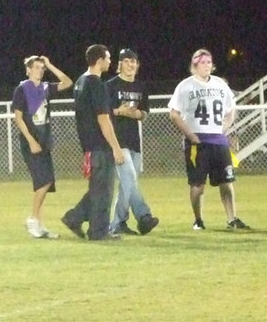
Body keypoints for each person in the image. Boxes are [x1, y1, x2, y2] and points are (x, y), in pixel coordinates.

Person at [167, 49, 249, 231]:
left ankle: (232, 218)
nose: (207, 65)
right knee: (198, 184)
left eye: (209, 62)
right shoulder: (185, 86)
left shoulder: (220, 84)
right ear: (194, 65)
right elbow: (174, 114)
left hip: (219, 141)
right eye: (202, 62)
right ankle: (198, 219)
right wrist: (190, 135)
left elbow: (231, 109)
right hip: (197, 142)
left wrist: (224, 128)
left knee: (227, 181)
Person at [60, 45, 125, 241]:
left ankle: (74, 218)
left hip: (89, 145)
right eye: (108, 57)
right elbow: (103, 119)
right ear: (99, 61)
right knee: (103, 192)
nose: (110, 61)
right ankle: (98, 232)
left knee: (98, 189)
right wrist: (116, 147)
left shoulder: (81, 81)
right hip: (100, 146)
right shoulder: (96, 84)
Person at [11, 56, 72, 239]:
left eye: (41, 68)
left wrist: (51, 65)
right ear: (28, 70)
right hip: (32, 143)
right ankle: (32, 219)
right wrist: (30, 140)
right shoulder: (22, 89)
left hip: (44, 142)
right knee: (42, 181)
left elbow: (67, 82)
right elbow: (18, 117)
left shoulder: (45, 88)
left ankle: (38, 221)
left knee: (46, 182)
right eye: (36, 67)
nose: (39, 70)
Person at [106, 49, 159, 236]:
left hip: (134, 141)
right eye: (127, 61)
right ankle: (144, 216)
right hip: (116, 141)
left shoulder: (140, 87)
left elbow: (144, 113)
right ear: (119, 64)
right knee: (129, 178)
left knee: (127, 184)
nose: (131, 65)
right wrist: (118, 111)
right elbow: (102, 113)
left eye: (134, 62)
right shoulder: (110, 86)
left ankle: (117, 224)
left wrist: (137, 114)